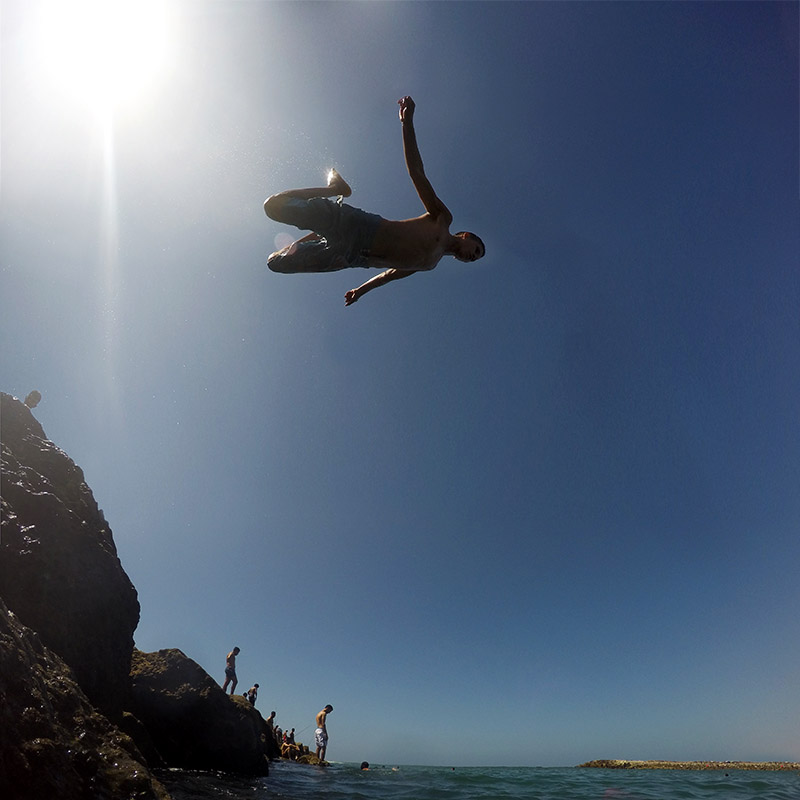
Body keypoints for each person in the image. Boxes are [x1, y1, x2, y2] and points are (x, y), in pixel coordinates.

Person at [264, 96, 485, 305]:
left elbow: (388, 275)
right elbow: (417, 173)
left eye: (473, 260)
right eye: (475, 250)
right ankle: (334, 189)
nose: (471, 257)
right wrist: (407, 124)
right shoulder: (443, 220)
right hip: (359, 227)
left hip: (349, 257)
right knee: (273, 206)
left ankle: (315, 233)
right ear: (466, 236)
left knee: (276, 264)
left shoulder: (429, 265)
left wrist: (360, 291)